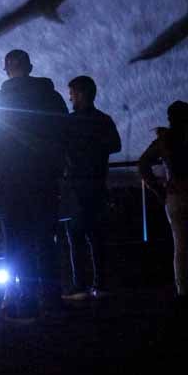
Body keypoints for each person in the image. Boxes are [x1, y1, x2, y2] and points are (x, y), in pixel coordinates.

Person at [0, 49, 69, 323]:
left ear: (6, 70)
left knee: (17, 245)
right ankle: (53, 300)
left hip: (9, 183)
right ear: (30, 67)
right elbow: (64, 134)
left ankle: (27, 300)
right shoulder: (50, 98)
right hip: (43, 180)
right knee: (46, 241)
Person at [139, 101, 188, 303]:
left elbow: (143, 163)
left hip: (175, 196)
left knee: (180, 246)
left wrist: (158, 188)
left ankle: (182, 291)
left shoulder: (164, 139)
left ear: (170, 118)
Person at [62, 75, 121, 301]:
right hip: (97, 185)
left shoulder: (68, 122)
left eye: (72, 94)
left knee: (75, 238)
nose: (70, 98)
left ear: (81, 94)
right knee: (97, 237)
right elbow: (115, 145)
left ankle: (79, 285)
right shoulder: (103, 120)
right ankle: (101, 283)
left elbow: (60, 149)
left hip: (75, 187)